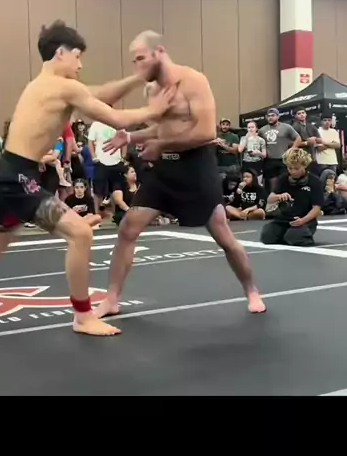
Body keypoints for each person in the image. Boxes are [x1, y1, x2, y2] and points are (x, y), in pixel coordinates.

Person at [0, 20, 175, 337]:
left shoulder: (44, 85)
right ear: (61, 53)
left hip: (8, 172)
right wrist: (156, 110)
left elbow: (100, 94)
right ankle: (83, 316)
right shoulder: (63, 88)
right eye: (77, 56)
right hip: (17, 176)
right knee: (80, 234)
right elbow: (115, 117)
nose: (80, 64)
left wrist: (138, 77)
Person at [95, 30, 266, 318]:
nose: (137, 66)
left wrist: (161, 144)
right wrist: (132, 137)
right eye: (134, 61)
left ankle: (251, 290)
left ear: (159, 52)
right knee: (127, 228)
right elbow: (163, 128)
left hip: (196, 167)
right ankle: (112, 299)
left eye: (141, 58)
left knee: (224, 237)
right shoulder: (152, 90)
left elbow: (206, 132)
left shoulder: (193, 82)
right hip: (165, 170)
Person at [260, 147, 323, 247]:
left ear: (304, 165)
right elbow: (270, 199)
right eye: (290, 168)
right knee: (266, 236)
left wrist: (303, 220)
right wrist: (279, 196)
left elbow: (317, 208)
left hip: (304, 220)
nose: (293, 171)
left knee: (294, 237)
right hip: (283, 219)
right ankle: (286, 235)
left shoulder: (315, 182)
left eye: (296, 168)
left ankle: (297, 235)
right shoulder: (283, 179)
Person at [258, 108, 301, 194]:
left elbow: (298, 138)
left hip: (283, 159)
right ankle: (272, 199)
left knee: (283, 182)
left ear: (278, 116)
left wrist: (292, 150)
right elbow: (257, 141)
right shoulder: (262, 130)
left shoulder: (286, 127)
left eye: (273, 115)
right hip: (269, 160)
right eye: (268, 116)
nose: (270, 117)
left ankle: (284, 199)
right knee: (271, 185)